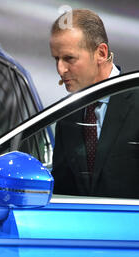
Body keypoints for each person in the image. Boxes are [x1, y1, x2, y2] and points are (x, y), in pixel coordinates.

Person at [49, 9, 139, 198]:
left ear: (101, 53)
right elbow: (62, 193)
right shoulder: (67, 116)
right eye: (56, 59)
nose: (60, 69)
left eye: (69, 58)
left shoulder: (136, 102)